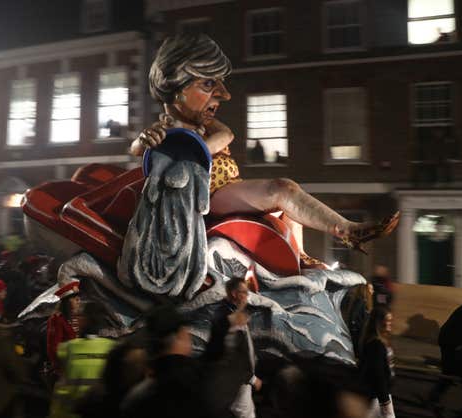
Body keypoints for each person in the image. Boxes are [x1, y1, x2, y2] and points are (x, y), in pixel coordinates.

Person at [132, 34, 399, 255]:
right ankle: (347, 231)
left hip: (228, 186)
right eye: (209, 83)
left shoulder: (204, 126)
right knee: (283, 190)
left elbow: (226, 136)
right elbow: (140, 153)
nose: (224, 94)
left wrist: (201, 144)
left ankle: (301, 255)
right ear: (176, 86)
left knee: (290, 199)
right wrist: (144, 141)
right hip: (208, 195)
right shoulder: (167, 131)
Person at [204, 276, 260, 418]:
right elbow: (234, 351)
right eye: (245, 292)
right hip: (236, 378)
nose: (247, 296)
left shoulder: (235, 314)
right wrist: (252, 378)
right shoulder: (226, 316)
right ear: (235, 294)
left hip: (239, 377)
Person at [49, 301, 116, 418]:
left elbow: (62, 391)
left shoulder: (68, 348)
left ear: (85, 320)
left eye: (79, 315)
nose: (76, 319)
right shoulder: (112, 348)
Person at [359, 306, 395, 418]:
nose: (389, 323)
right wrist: (385, 401)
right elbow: (378, 374)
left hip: (378, 395)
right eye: (387, 320)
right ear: (379, 322)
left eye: (390, 320)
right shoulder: (376, 344)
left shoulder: (378, 341)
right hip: (378, 396)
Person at [47, 281, 82, 377]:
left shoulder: (76, 317)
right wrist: (61, 368)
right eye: (76, 299)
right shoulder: (57, 319)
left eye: (79, 299)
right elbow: (53, 347)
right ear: (67, 302)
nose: (79, 302)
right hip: (66, 368)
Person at [341, 282, 374, 356]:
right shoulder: (361, 301)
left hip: (360, 332)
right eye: (371, 289)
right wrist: (356, 329)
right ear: (365, 290)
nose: (372, 291)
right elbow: (353, 317)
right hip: (358, 333)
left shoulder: (363, 301)